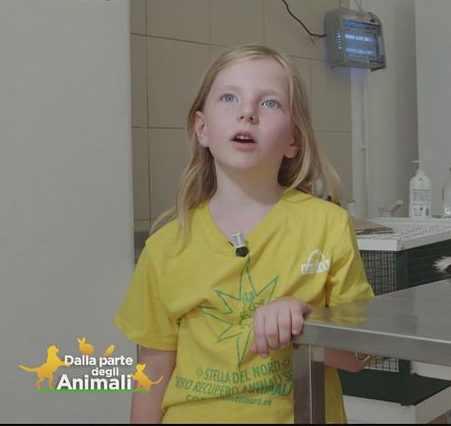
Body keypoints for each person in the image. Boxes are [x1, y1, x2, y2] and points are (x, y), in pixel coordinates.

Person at [114, 45, 374, 423]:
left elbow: (360, 357)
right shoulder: (165, 247)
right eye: (229, 97)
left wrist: (307, 325)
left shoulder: (328, 226)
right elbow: (152, 374)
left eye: (269, 103)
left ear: (293, 140)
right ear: (202, 128)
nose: (247, 112)